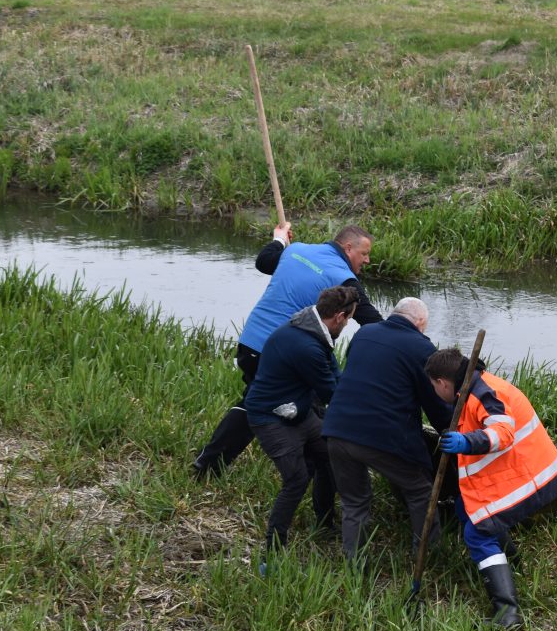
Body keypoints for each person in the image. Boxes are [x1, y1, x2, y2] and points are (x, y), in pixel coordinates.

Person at [193, 222, 383, 478]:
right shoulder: (343, 278)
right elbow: (371, 321)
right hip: (286, 354)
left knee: (258, 403)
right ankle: (316, 477)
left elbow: (264, 262)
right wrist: (404, 338)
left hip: (250, 342)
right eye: (364, 253)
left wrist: (279, 240)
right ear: (348, 248)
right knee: (307, 409)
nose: (368, 260)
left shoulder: (297, 251)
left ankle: (209, 465)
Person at [425, 347, 557, 629]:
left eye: (434, 387)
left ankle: (507, 613)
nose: (435, 393)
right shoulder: (472, 388)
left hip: (532, 476)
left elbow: (502, 432)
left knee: (477, 532)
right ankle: (512, 564)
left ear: (442, 382)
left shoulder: (483, 393)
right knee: (464, 508)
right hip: (527, 470)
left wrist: (466, 443)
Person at [322, 297, 452, 562]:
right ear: (420, 323)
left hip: (337, 429)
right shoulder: (421, 348)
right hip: (383, 436)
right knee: (419, 491)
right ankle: (428, 557)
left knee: (354, 501)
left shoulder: (365, 333)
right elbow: (434, 401)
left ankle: (354, 564)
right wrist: (450, 431)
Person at [246, 285, 357, 565]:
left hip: (299, 412)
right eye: (351, 319)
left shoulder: (314, 330)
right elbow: (332, 393)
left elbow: (336, 376)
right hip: (270, 417)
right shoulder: (306, 345)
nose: (348, 325)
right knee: (296, 479)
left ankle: (324, 521)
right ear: (340, 316)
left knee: (329, 457)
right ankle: (273, 548)